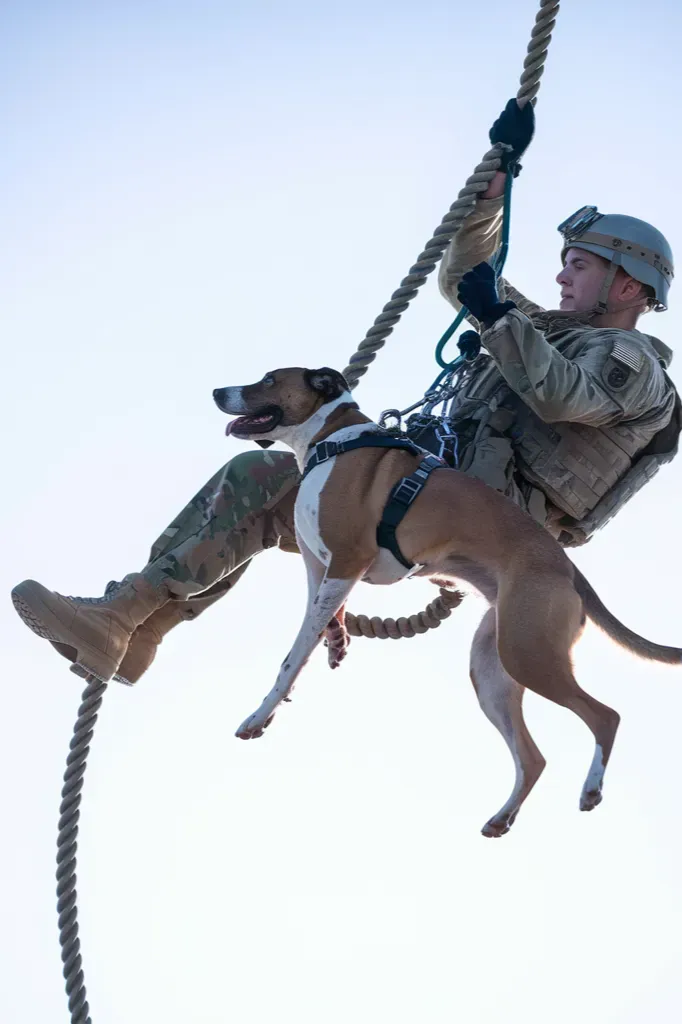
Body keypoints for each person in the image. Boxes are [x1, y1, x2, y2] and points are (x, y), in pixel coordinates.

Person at [11, 101, 679, 709]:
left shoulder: (636, 367)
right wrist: (491, 193)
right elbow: (461, 277)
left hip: (479, 515)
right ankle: (133, 628)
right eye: (564, 262)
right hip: (430, 489)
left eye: (581, 264)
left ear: (626, 285)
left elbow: (563, 399)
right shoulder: (543, 333)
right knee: (266, 493)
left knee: (269, 480)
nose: (562, 274)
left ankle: (126, 619)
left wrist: (497, 319)